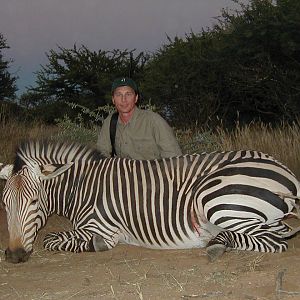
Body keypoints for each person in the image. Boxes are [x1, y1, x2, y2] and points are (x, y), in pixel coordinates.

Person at [97, 77, 182, 160]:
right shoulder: (110, 122)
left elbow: (174, 159)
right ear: (113, 99)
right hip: (124, 173)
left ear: (136, 98)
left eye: (128, 94)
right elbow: (101, 155)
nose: (123, 99)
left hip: (153, 173)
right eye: (119, 94)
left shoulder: (153, 121)